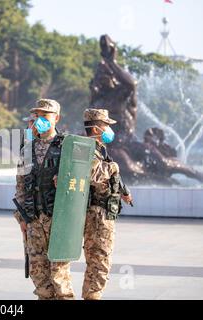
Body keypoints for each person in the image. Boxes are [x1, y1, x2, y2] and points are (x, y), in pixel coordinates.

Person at [13, 99, 75, 300]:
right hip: (33, 220)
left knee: (60, 276)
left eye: (45, 116)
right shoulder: (27, 150)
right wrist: (21, 217)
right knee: (38, 275)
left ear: (56, 118)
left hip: (58, 220)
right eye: (38, 116)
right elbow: (21, 185)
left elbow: (81, 180)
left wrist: (65, 180)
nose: (41, 120)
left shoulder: (67, 147)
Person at [82, 108, 133, 300]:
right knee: (99, 260)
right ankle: (92, 296)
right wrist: (112, 167)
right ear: (96, 129)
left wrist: (123, 192)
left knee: (98, 260)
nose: (109, 129)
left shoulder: (99, 149)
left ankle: (92, 295)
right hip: (97, 214)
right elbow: (91, 175)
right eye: (106, 126)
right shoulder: (87, 149)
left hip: (102, 212)